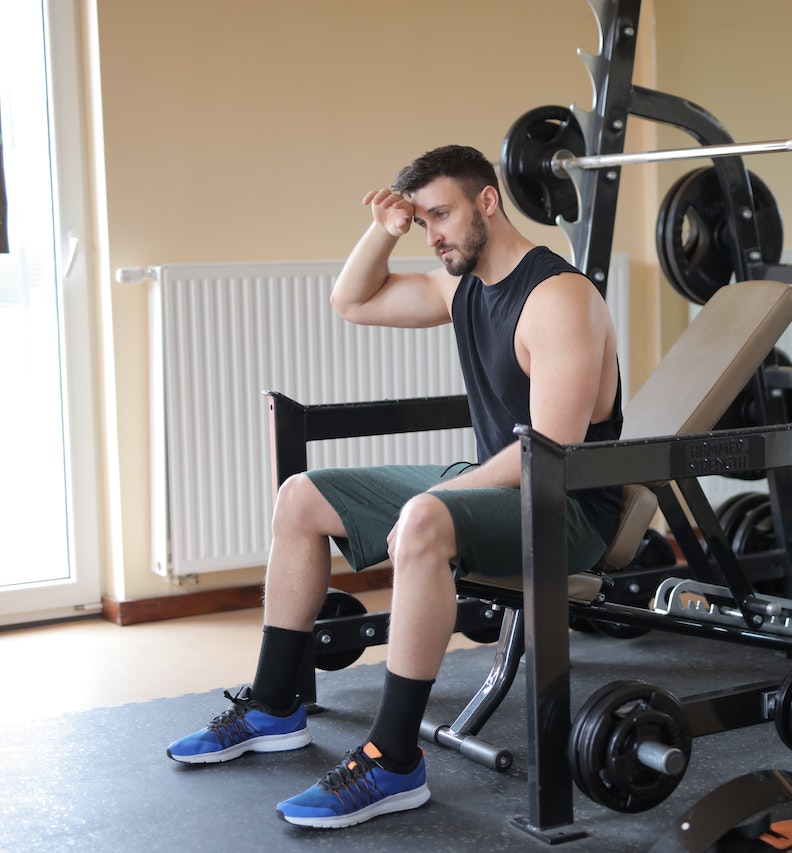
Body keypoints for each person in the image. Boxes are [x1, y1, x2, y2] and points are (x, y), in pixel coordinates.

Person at [165, 145, 623, 829]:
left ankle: (394, 757)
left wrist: (436, 505)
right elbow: (351, 299)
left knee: (422, 520)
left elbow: (550, 453)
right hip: (497, 481)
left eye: (440, 214)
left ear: (487, 202)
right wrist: (385, 229)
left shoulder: (559, 298)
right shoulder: (462, 288)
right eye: (422, 221)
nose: (431, 234)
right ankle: (272, 705)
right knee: (301, 495)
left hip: (568, 506)